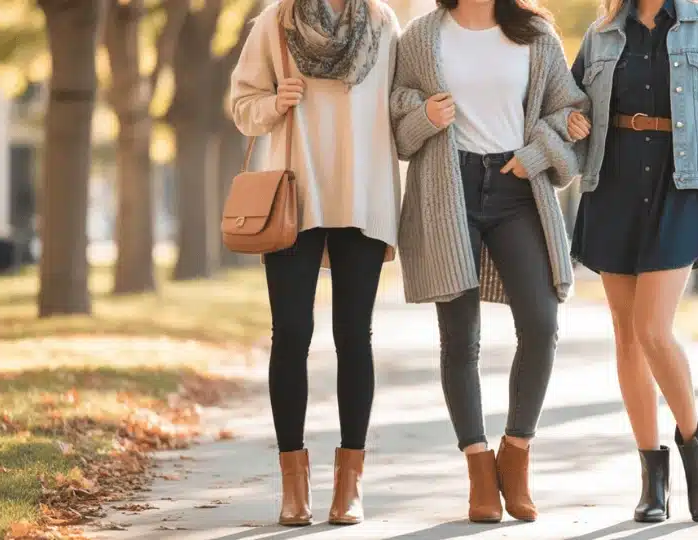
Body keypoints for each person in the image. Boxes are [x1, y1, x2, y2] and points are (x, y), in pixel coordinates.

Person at [390, 0, 591, 523]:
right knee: (460, 338)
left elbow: (571, 112)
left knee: (541, 324)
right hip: (447, 189)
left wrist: (536, 154)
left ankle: (516, 453)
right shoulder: (420, 37)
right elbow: (398, 128)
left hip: (516, 187)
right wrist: (424, 117)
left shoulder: (535, 35)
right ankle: (479, 468)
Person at [569, 0, 698, 524]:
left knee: (652, 329)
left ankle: (696, 446)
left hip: (681, 188)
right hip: (614, 187)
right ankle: (653, 477)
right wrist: (570, 118)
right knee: (626, 335)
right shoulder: (602, 32)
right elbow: (565, 101)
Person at [229, 0, 401, 527]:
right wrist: (273, 103)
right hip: (293, 196)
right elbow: (242, 105)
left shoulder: (381, 23)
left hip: (362, 195)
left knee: (354, 335)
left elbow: (400, 107)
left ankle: (350, 484)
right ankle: (294, 485)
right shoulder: (277, 21)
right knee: (291, 333)